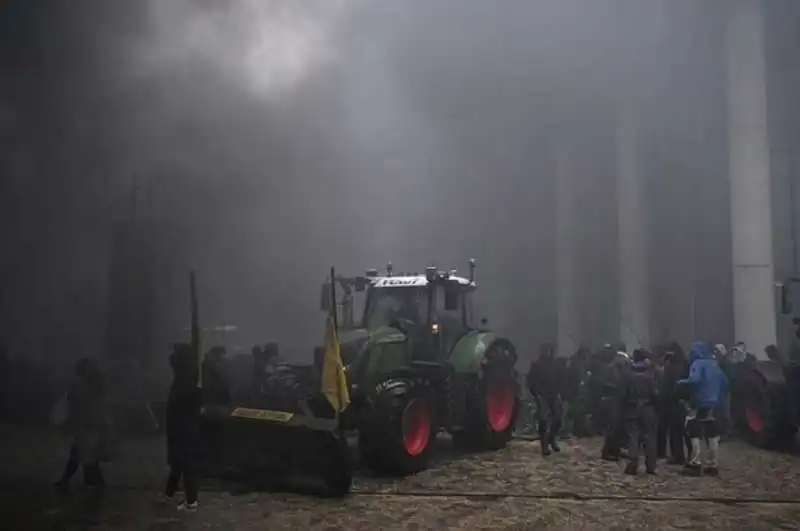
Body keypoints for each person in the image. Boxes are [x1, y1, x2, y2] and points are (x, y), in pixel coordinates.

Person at [55, 358, 107, 490]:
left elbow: (78, 404)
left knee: (80, 453)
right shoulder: (90, 385)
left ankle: (89, 480)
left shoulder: (84, 385)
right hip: (87, 424)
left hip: (86, 425)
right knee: (83, 454)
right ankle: (93, 480)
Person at [678, 341, 728, 476]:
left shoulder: (697, 364)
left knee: (693, 430)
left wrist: (681, 383)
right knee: (712, 434)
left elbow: (694, 380)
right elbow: (724, 383)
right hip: (714, 404)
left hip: (699, 402)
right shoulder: (715, 365)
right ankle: (713, 464)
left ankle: (695, 463)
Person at [163, 343, 202, 511]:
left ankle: (191, 500)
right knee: (179, 461)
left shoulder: (182, 382)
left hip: (181, 426)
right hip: (185, 425)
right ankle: (169, 493)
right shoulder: (189, 377)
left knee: (184, 461)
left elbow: (177, 405)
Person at [620, 349, 659, 475]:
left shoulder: (627, 374)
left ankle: (633, 463)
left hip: (632, 407)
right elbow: (655, 393)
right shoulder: (650, 373)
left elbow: (622, 393)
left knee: (633, 437)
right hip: (648, 408)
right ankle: (651, 465)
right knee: (649, 437)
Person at [527, 343, 563, 456]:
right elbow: (531, 381)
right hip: (542, 394)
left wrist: (560, 392)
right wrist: (536, 394)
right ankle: (544, 445)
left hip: (554, 393)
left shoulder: (555, 365)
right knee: (543, 420)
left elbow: (560, 379)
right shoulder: (536, 365)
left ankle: (551, 439)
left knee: (557, 419)